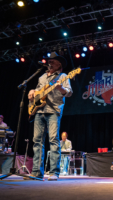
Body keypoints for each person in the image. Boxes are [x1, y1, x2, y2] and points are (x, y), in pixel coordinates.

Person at [25, 52, 73, 181]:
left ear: (59, 64)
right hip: (39, 111)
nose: (50, 63)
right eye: (49, 61)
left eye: (53, 61)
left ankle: (54, 172)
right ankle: (36, 172)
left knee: (53, 140)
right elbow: (37, 92)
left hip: (53, 110)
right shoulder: (41, 77)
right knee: (37, 141)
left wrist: (60, 88)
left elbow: (68, 93)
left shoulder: (63, 76)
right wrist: (31, 92)